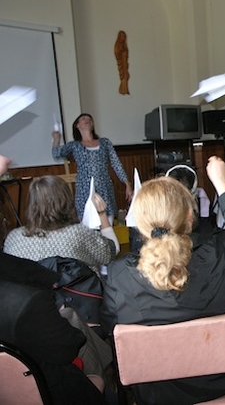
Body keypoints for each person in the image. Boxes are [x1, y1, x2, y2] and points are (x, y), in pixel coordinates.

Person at [101, 158, 225, 405]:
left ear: (140, 223)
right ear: (188, 214)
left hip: (159, 394)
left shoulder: (121, 275)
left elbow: (112, 328)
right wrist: (221, 182)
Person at [0, 154, 107, 405]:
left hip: (23, 345)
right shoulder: (80, 234)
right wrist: (102, 218)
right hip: (63, 326)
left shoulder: (14, 239)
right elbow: (108, 254)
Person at [3, 175, 116, 275]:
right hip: (77, 297)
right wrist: (102, 215)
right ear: (67, 201)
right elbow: (111, 253)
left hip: (31, 297)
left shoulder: (13, 238)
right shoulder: (80, 234)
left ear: (31, 204)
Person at [52, 113, 132, 220]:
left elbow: (116, 163)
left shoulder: (105, 143)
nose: (87, 120)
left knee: (108, 223)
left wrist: (127, 183)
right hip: (84, 191)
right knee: (88, 226)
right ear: (77, 125)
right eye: (83, 118)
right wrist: (57, 138)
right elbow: (57, 154)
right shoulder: (75, 145)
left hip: (104, 188)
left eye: (90, 119)